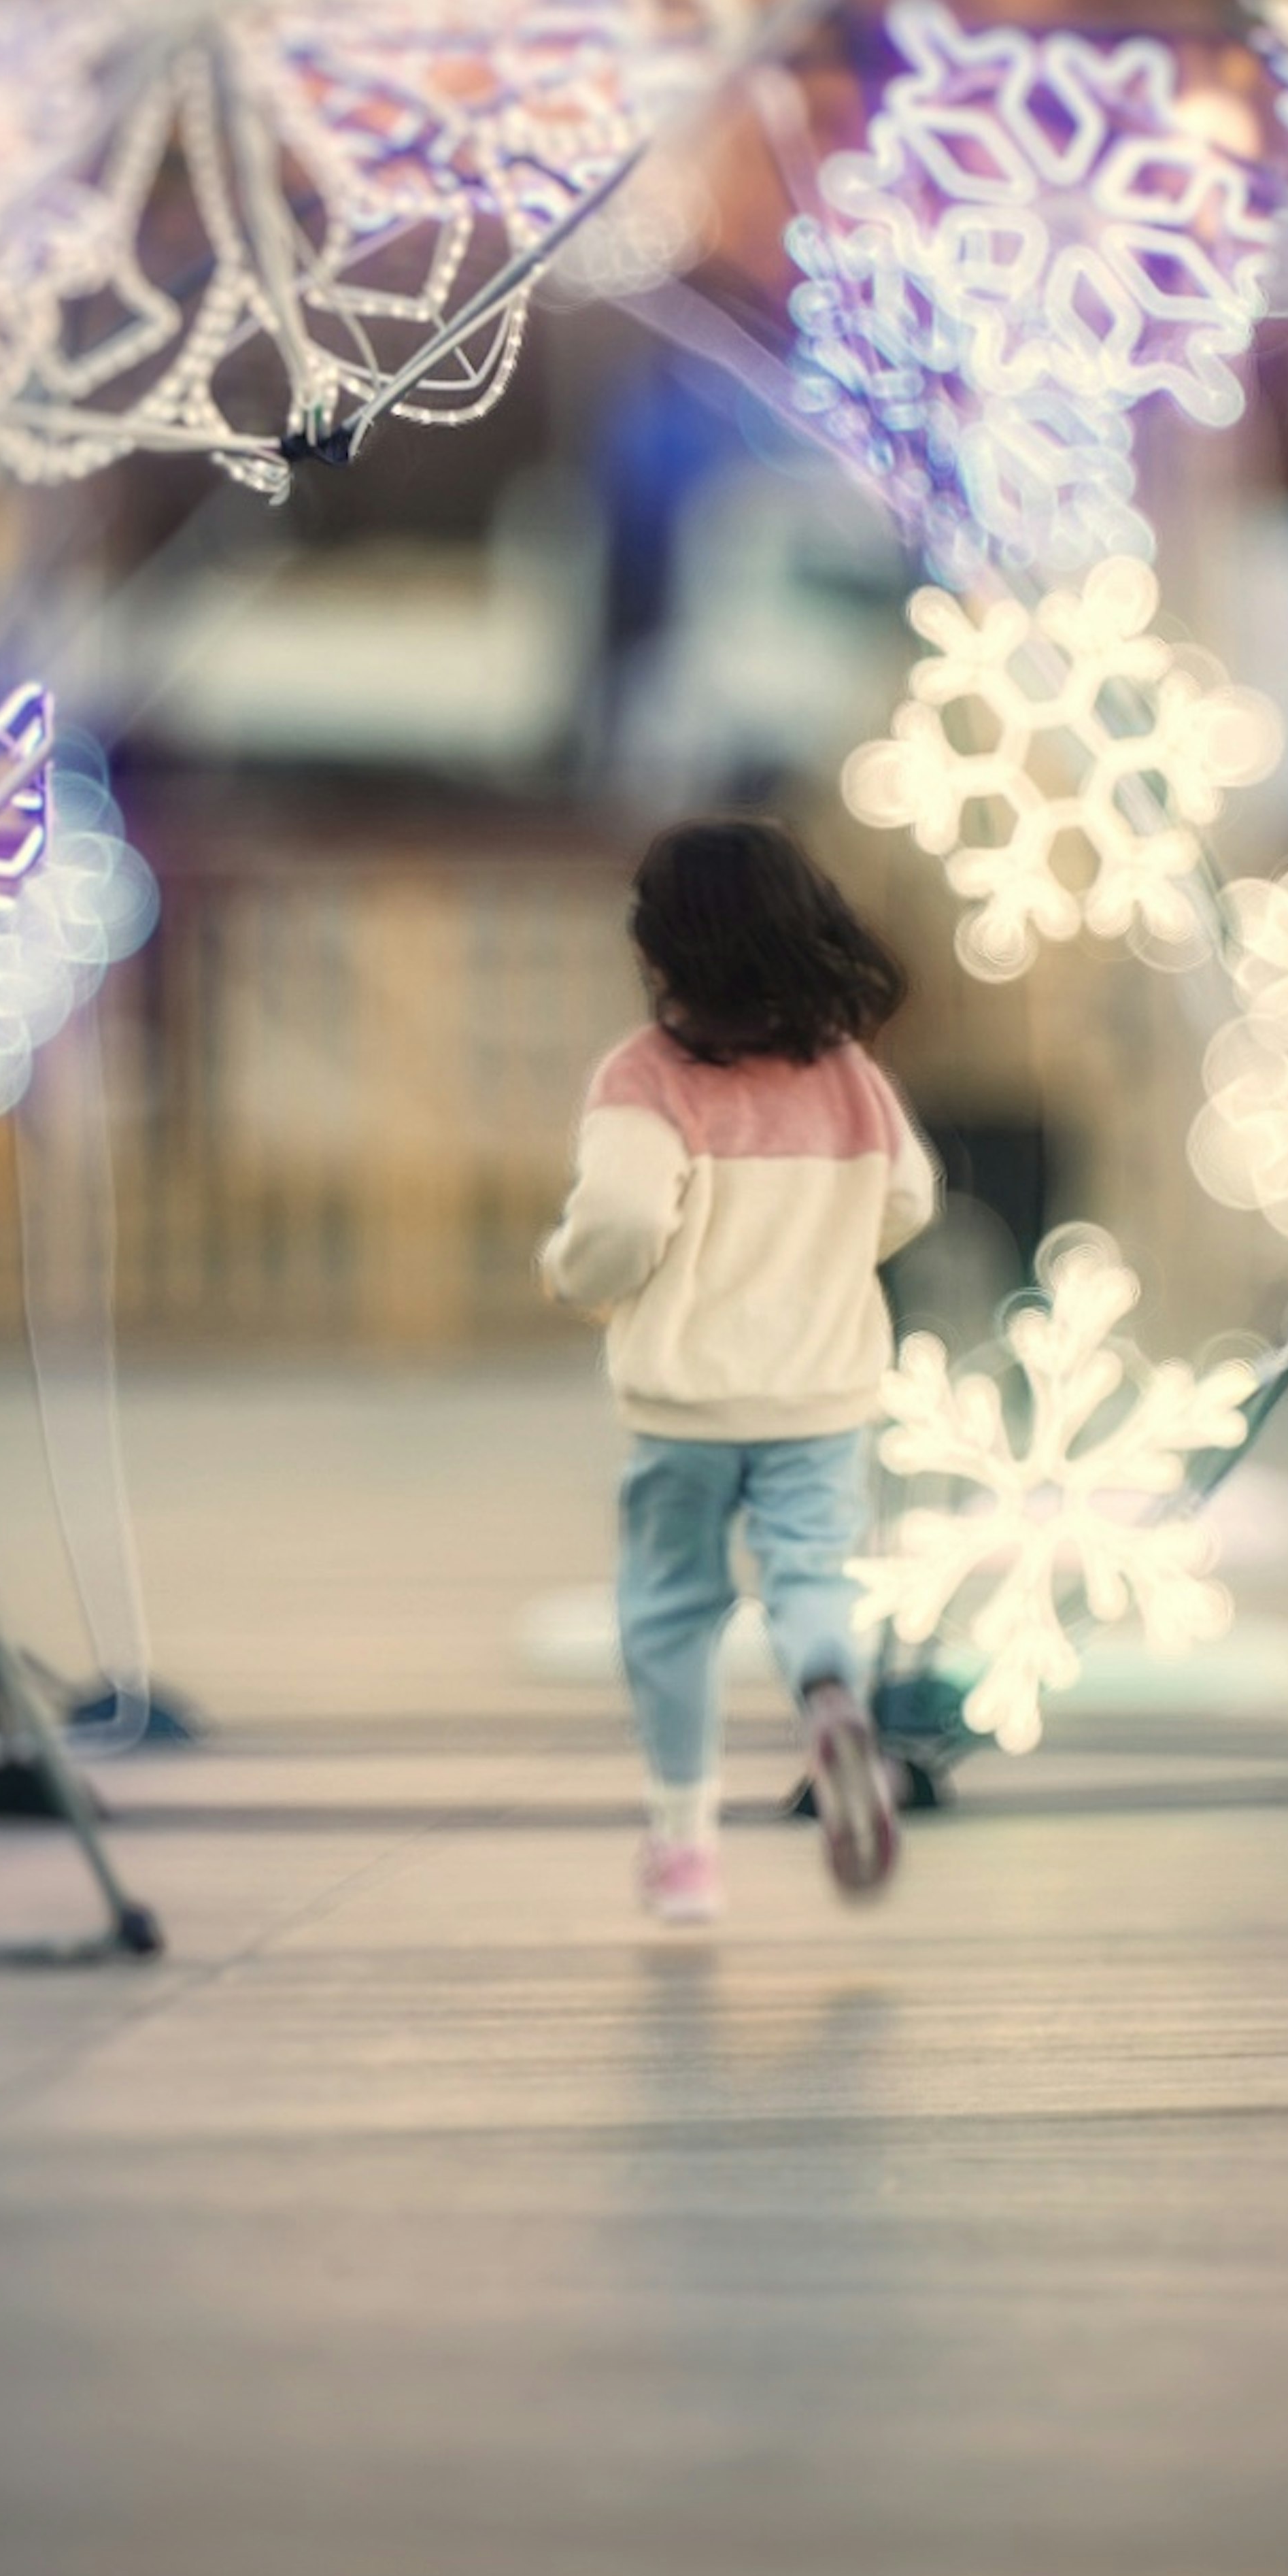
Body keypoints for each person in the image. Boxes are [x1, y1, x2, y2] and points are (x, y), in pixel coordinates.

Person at [541, 817, 938, 1925]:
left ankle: (684, 1846)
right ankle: (825, 1689)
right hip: (820, 1393)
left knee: (672, 1609)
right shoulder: (849, 1078)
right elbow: (907, 1199)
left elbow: (618, 1217)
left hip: (687, 1402)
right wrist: (817, 1257)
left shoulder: (649, 1077)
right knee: (813, 1576)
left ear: (662, 947)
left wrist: (574, 1278)